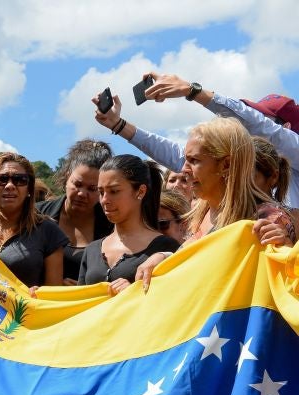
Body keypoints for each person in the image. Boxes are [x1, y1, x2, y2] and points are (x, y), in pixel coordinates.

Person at [134, 117, 295, 289]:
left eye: (194, 160)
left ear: (225, 165)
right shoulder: (201, 214)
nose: (184, 169)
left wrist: (286, 250)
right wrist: (164, 257)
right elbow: (193, 261)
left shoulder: (268, 219)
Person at [102, 76, 299, 205]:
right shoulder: (232, 166)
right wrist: (119, 125)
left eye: (258, 118)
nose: (243, 126)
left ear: (286, 129)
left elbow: (261, 127)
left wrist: (192, 91)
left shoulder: (293, 154)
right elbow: (178, 156)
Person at [77, 155, 180, 294]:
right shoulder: (92, 250)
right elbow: (79, 303)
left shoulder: (166, 248)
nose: (104, 200)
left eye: (114, 191)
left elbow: (174, 300)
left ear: (140, 191)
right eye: (101, 192)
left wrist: (133, 293)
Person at [0, 153, 67, 288]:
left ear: (29, 189)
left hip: (25, 309)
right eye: (2, 179)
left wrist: (40, 294)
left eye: (20, 180)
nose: (10, 185)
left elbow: (53, 295)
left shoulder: (48, 231)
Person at [36, 139, 113, 284]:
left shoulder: (112, 224)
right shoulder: (36, 214)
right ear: (66, 177)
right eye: (77, 184)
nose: (82, 194)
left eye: (92, 189)